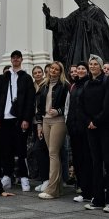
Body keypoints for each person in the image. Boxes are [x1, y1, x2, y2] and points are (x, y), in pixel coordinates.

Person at [43, 0, 109, 67]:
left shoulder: (95, 11)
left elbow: (104, 31)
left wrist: (88, 22)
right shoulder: (76, 14)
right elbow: (64, 24)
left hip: (93, 49)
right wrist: (49, 17)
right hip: (77, 51)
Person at [79, 54, 109, 212]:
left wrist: (96, 121)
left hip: (105, 128)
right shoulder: (87, 84)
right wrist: (88, 121)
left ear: (101, 67)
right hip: (91, 128)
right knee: (96, 163)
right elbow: (80, 105)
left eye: (96, 64)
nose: (93, 66)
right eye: (91, 64)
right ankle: (98, 199)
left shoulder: (108, 82)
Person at [0, 50, 35, 191]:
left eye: (18, 58)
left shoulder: (26, 78)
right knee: (6, 149)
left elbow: (30, 100)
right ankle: (7, 176)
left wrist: (26, 118)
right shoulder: (4, 77)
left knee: (21, 149)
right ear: (11, 60)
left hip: (19, 119)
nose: (16, 60)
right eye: (14, 58)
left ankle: (24, 178)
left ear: (21, 60)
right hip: (5, 118)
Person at [36, 61, 70, 199]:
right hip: (45, 120)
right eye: (52, 69)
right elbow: (39, 106)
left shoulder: (65, 85)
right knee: (52, 154)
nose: (53, 71)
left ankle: (52, 189)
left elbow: (68, 105)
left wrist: (59, 111)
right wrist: (39, 124)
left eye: (57, 69)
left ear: (61, 72)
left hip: (59, 121)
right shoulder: (43, 85)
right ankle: (58, 187)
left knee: (53, 153)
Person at [65, 62, 93, 203]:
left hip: (85, 128)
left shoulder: (89, 84)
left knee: (87, 159)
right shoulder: (74, 86)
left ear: (87, 71)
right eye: (78, 69)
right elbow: (70, 107)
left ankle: (90, 190)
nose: (80, 71)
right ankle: (82, 188)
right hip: (73, 127)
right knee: (77, 160)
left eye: (83, 68)